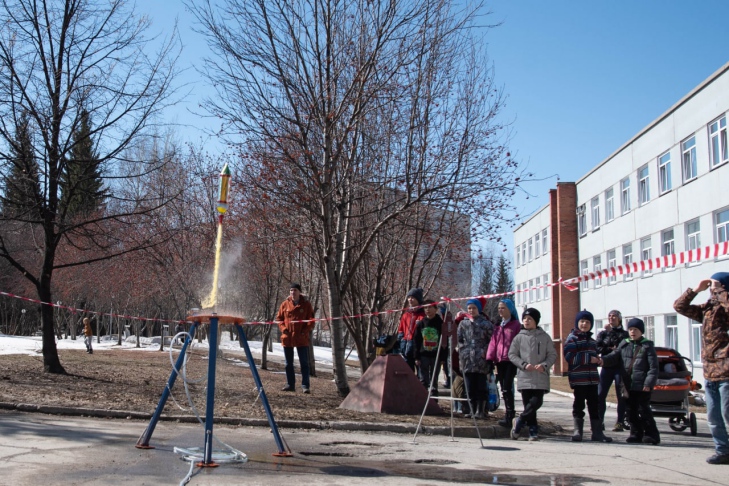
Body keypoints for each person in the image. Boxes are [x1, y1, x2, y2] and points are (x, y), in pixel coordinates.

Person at [674, 272, 729, 464]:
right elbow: (679, 306)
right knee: (714, 416)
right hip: (710, 372)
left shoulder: (726, 307)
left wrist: (722, 290)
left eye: (717, 286)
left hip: (727, 370)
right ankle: (723, 451)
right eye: (712, 288)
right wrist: (696, 290)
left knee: (727, 413)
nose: (713, 290)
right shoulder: (707, 309)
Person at [601, 318, 660, 445]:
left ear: (641, 331)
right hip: (627, 385)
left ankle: (652, 435)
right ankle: (635, 434)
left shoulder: (647, 345)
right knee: (630, 411)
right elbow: (614, 357)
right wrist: (602, 361)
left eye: (636, 329)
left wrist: (648, 384)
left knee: (643, 410)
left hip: (642, 385)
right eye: (631, 329)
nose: (633, 332)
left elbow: (653, 368)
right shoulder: (624, 344)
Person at [509, 308, 557, 441]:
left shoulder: (544, 337)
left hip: (540, 375)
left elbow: (552, 355)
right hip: (525, 376)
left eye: (529, 319)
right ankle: (532, 430)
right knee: (528, 405)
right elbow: (512, 355)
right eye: (524, 318)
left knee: (536, 402)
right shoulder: (518, 337)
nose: (526, 321)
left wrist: (544, 365)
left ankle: (519, 420)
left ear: (536, 321)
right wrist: (523, 365)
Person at [564, 310, 612, 443]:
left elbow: (595, 356)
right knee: (579, 405)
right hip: (579, 379)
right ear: (577, 323)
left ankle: (597, 432)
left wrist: (599, 360)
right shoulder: (572, 339)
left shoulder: (592, 341)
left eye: (587, 322)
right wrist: (589, 359)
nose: (584, 324)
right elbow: (570, 357)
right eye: (582, 321)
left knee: (594, 406)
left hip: (592, 379)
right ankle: (577, 431)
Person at [486, 298, 521, 428]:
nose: (500, 310)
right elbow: (493, 342)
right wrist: (490, 358)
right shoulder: (498, 325)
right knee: (503, 388)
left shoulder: (516, 325)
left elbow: (519, 343)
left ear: (510, 309)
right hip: (499, 361)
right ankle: (508, 414)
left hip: (511, 361)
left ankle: (510, 415)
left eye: (503, 308)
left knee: (507, 387)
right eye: (499, 308)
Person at [457, 298, 493, 419]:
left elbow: (492, 341)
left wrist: (485, 351)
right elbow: (459, 339)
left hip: (481, 360)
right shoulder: (463, 323)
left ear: (479, 309)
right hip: (467, 360)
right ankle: (471, 409)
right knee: (469, 386)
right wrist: (463, 351)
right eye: (469, 308)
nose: (471, 310)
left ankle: (481, 410)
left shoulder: (486, 324)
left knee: (481, 387)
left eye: (474, 308)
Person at [276, 283, 316, 393]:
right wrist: (283, 329)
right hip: (287, 337)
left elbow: (311, 321)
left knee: (304, 363)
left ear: (299, 292)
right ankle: (290, 384)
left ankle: (305, 386)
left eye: (295, 290)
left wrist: (304, 332)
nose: (293, 292)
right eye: (291, 290)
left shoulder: (306, 305)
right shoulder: (284, 304)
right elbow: (279, 319)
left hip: (301, 338)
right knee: (288, 364)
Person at [596, 309, 629, 431]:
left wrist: (612, 337)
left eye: (614, 316)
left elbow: (621, 348)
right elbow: (598, 347)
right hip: (606, 366)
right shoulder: (603, 333)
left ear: (619, 318)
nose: (611, 318)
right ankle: (599, 421)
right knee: (600, 395)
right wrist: (611, 349)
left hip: (620, 368)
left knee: (621, 396)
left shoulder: (625, 334)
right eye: (609, 316)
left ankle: (620, 422)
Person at [413, 300, 444, 395]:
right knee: (423, 378)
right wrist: (417, 356)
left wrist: (443, 357)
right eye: (426, 308)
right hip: (423, 355)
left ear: (435, 309)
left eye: (430, 307)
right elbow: (416, 341)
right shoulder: (421, 324)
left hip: (436, 355)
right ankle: (423, 398)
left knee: (434, 377)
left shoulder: (440, 323)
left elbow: (444, 341)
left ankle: (434, 399)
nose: (428, 310)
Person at [397, 288, 425, 371]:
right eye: (409, 297)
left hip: (418, 347)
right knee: (407, 372)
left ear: (418, 299)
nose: (410, 300)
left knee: (421, 373)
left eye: (413, 297)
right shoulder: (406, 315)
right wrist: (401, 337)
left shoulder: (423, 315)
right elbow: (400, 328)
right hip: (405, 345)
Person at [436, 304, 455, 388]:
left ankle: (450, 380)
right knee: (441, 363)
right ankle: (446, 379)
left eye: (442, 308)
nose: (440, 310)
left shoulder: (448, 316)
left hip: (446, 343)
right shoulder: (438, 317)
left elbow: (449, 328)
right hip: (439, 343)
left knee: (447, 363)